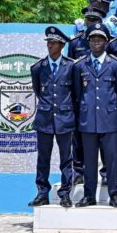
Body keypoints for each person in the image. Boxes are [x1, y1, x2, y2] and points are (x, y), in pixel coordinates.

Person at [72, 23, 117, 208]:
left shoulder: (116, 65)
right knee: (89, 161)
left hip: (109, 119)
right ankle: (89, 195)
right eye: (93, 39)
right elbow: (78, 95)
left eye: (100, 39)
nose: (96, 43)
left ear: (107, 42)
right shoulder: (79, 65)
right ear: (88, 42)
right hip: (88, 120)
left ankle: (114, 195)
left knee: (111, 160)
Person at [29, 27, 76, 208]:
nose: (50, 45)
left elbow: (75, 93)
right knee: (43, 159)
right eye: (49, 42)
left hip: (65, 119)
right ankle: (42, 193)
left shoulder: (71, 66)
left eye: (54, 42)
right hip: (45, 119)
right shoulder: (38, 68)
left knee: (66, 158)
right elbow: (38, 90)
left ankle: (65, 193)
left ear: (62, 45)